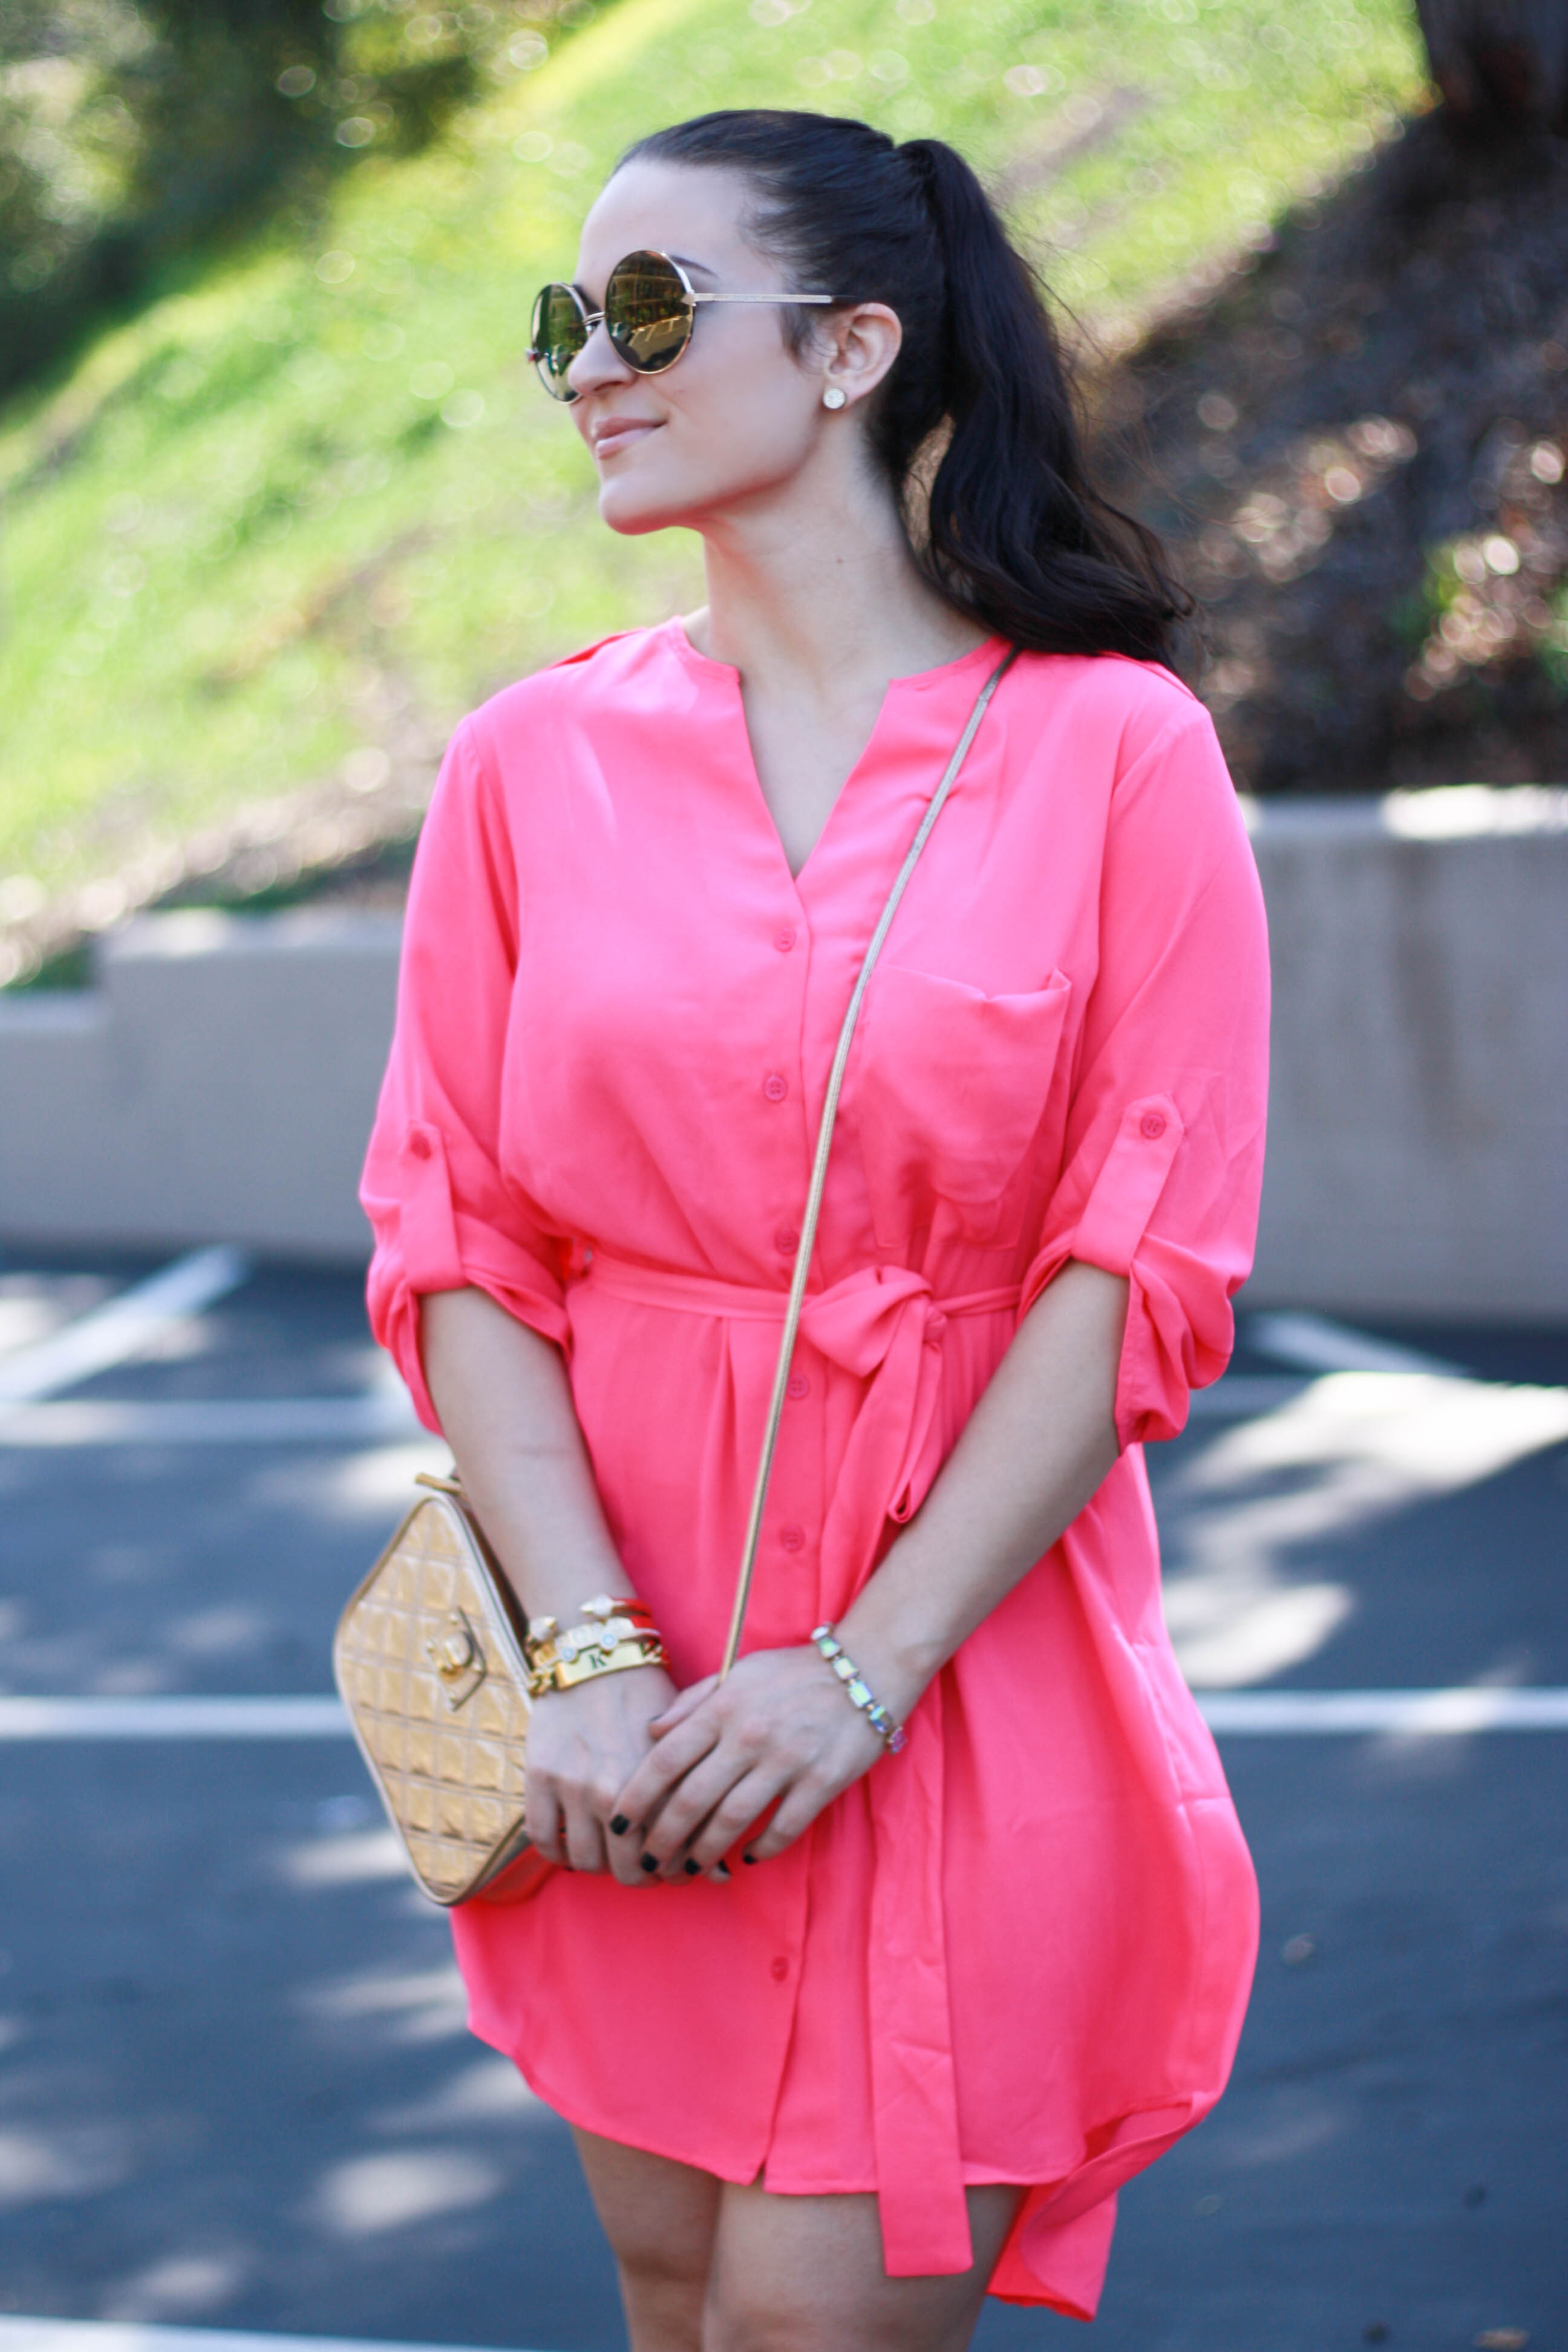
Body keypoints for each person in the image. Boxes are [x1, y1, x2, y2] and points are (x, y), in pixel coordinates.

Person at [360, 107, 1269, 2352]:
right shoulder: (521, 765)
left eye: (648, 306)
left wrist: (861, 1676)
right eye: (565, 316)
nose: (588, 360)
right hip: (622, 1683)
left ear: (857, 346)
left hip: (957, 1668)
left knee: (810, 2320)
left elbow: (1135, 1271)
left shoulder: (1117, 751)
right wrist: (586, 1662)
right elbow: (456, 1239)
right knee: (674, 2296)